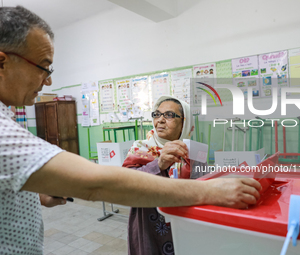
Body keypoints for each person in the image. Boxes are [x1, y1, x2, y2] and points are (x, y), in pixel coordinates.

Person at [0, 6, 261, 255]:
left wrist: (33, 198)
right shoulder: (3, 132)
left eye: (170, 116)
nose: (48, 80)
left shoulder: (195, 148)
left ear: (185, 123)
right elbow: (96, 184)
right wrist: (213, 191)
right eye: (43, 66)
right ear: (2, 62)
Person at [123, 95, 205, 254]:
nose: (160, 120)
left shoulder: (193, 152)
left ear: (185, 123)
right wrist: (158, 164)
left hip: (186, 224)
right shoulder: (140, 148)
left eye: (169, 115)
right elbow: (125, 184)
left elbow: (203, 185)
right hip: (149, 225)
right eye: (157, 114)